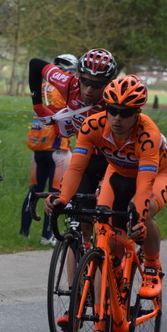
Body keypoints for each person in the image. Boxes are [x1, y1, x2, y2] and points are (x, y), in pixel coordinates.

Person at [45, 75, 167, 332]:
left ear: (137, 113)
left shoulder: (147, 134)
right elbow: (76, 168)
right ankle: (100, 325)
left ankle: (152, 268)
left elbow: (144, 186)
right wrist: (63, 198)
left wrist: (138, 217)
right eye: (112, 109)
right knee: (105, 244)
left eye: (125, 112)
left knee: (146, 212)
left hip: (154, 176)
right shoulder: (93, 125)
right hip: (116, 174)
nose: (117, 118)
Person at [28, 48, 118, 242]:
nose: (88, 90)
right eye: (85, 81)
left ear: (108, 84)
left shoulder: (116, 97)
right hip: (84, 158)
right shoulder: (68, 83)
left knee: (111, 227)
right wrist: (38, 105)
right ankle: (82, 265)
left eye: (97, 85)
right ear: (78, 76)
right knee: (81, 229)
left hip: (114, 161)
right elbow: (35, 64)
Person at [20, 54, 77, 246]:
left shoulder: (42, 87)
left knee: (34, 192)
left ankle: (23, 232)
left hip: (38, 148)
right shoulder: (66, 91)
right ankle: (47, 236)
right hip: (59, 150)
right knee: (54, 194)